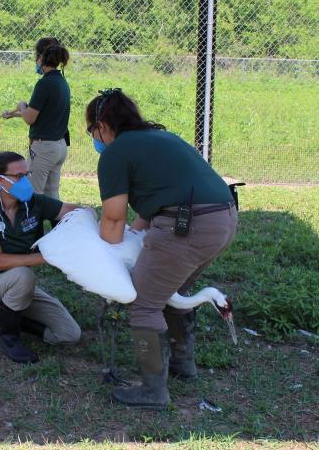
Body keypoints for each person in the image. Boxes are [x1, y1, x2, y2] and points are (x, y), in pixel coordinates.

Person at [85, 88, 238, 408]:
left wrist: (107, 255)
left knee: (143, 302)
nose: (94, 138)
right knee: (175, 289)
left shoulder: (115, 153)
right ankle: (184, 364)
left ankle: (153, 390)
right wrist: (135, 234)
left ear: (102, 125)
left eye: (91, 131)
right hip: (223, 219)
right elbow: (153, 202)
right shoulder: (161, 138)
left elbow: (112, 222)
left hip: (187, 225)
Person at [0, 151, 82, 364]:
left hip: (18, 287)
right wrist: (48, 257)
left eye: (27, 174)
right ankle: (9, 338)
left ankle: (5, 321)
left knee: (69, 334)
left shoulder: (35, 203)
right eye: (18, 176)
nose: (25, 181)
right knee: (23, 275)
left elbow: (77, 212)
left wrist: (71, 225)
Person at [16, 38, 71, 199]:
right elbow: (44, 115)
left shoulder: (44, 84)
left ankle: (33, 225)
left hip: (44, 147)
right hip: (59, 147)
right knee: (51, 194)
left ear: (41, 58)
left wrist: (21, 106)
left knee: (31, 195)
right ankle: (60, 225)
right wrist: (15, 114)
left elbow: (30, 118)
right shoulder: (61, 82)